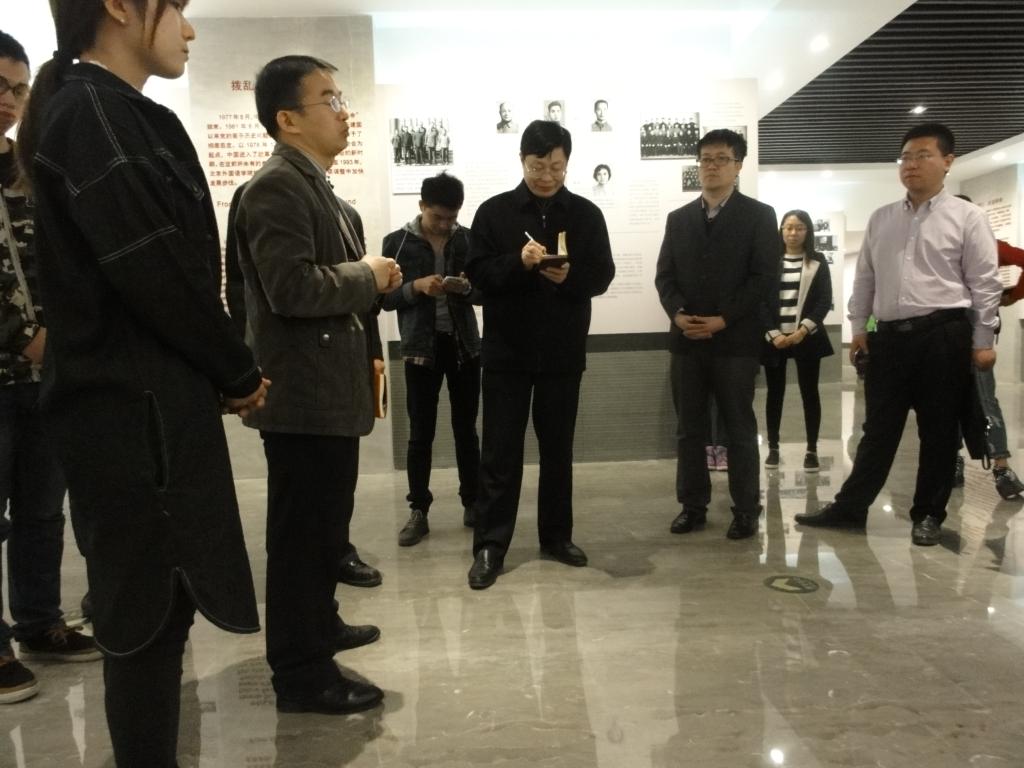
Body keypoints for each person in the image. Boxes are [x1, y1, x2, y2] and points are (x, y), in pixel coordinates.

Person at [18, 2, 270, 763]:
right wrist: (236, 368)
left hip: (142, 406)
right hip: (133, 415)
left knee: (159, 614)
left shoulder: (103, 109)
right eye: (178, 9)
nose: (188, 29)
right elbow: (156, 270)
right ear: (122, 7)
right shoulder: (93, 113)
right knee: (145, 620)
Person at [233, 54, 401, 714]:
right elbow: (291, 287)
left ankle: (318, 625)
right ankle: (302, 673)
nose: (343, 111)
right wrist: (368, 275)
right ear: (288, 119)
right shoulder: (277, 186)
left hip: (326, 392)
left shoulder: (314, 186)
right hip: (302, 396)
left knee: (325, 529)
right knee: (302, 539)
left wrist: (373, 283)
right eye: (328, 99)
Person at [795, 123, 1001, 546]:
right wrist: (859, 328)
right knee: (877, 430)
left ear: (948, 161)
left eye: (923, 155)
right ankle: (851, 508)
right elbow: (865, 279)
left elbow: (985, 283)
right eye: (905, 157)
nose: (911, 164)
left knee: (939, 431)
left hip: (943, 335)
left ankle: (928, 515)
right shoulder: (882, 218)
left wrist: (983, 342)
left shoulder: (968, 217)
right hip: (888, 338)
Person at [465, 120, 615, 589]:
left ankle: (556, 537)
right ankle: (490, 546)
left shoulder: (586, 214)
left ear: (567, 163)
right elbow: (476, 276)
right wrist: (519, 262)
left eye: (556, 166)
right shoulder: (494, 213)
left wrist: (569, 278)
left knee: (557, 450)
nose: (547, 176)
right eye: (537, 166)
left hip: (562, 354)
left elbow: (603, 274)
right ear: (522, 162)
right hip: (506, 354)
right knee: (499, 453)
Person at [0, 30, 100, 708]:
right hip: (14, 362)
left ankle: (39, 622)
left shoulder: (29, 168)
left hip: (45, 373)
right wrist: (23, 336)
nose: (9, 101)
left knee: (41, 508)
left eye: (18, 88)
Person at [654, 128, 778, 540]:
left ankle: (746, 509)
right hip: (687, 341)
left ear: (738, 165)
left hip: (735, 342)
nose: (712, 166)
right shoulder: (679, 219)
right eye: (706, 159)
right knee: (689, 429)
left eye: (721, 159)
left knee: (738, 427)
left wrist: (724, 319)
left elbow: (763, 278)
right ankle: (692, 506)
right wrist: (677, 314)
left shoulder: (759, 216)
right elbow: (665, 276)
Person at [382, 172, 481, 547]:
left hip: (464, 345)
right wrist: (416, 287)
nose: (444, 224)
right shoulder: (398, 242)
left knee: (466, 429)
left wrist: (466, 288)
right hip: (420, 348)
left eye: (451, 217)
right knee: (420, 433)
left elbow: (484, 291)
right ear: (422, 205)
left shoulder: (467, 239)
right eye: (438, 216)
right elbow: (384, 299)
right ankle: (418, 510)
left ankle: (472, 502)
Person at [951, 194, 1024, 499]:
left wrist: (1012, 295)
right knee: (959, 397)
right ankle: (972, 463)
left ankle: (998, 466)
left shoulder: (988, 245)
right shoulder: (948, 246)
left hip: (972, 332)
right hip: (950, 332)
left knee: (980, 398)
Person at [762, 209, 834, 473]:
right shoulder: (769, 261)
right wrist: (774, 334)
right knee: (774, 394)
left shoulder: (817, 261)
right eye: (788, 227)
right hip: (775, 339)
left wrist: (802, 331)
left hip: (806, 337)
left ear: (808, 232)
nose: (793, 233)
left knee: (809, 393)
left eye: (799, 228)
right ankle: (773, 448)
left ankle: (811, 450)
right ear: (781, 230)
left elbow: (824, 300)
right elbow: (759, 300)